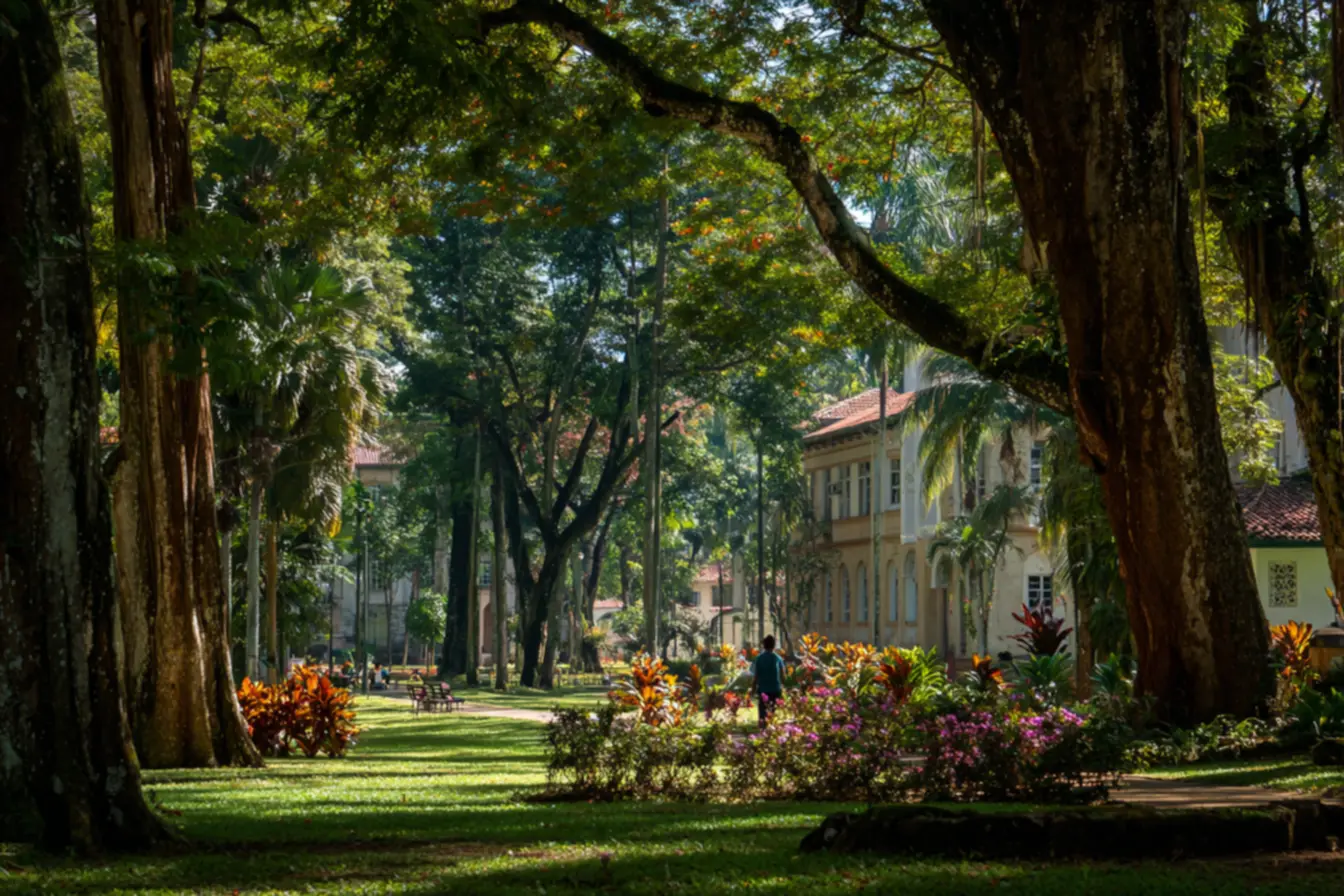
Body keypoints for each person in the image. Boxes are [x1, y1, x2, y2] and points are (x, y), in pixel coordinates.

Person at [750, 635, 786, 729]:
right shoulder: (778, 658)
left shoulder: (759, 658)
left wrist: (752, 690)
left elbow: (755, 676)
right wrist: (784, 687)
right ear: (774, 645)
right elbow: (783, 676)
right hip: (775, 689)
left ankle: (763, 728)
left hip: (763, 689)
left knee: (763, 711)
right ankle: (770, 728)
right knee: (772, 711)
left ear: (764, 645)